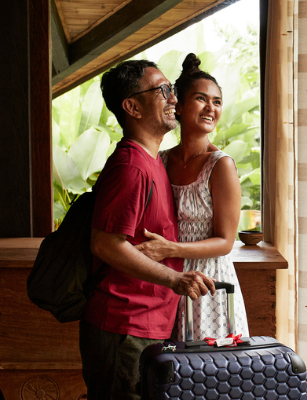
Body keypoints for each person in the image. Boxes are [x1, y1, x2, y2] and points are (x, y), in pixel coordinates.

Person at [83, 59, 216, 400]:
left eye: (172, 89)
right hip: (123, 327)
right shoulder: (131, 167)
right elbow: (105, 245)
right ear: (132, 106)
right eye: (162, 91)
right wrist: (175, 279)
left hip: (148, 324)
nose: (174, 99)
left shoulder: (154, 160)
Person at [134, 53, 250, 341]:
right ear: (180, 106)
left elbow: (225, 242)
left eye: (217, 101)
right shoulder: (159, 160)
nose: (211, 107)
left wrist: (170, 249)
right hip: (165, 281)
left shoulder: (220, 165)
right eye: (201, 99)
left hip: (208, 286)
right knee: (167, 375)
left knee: (207, 377)